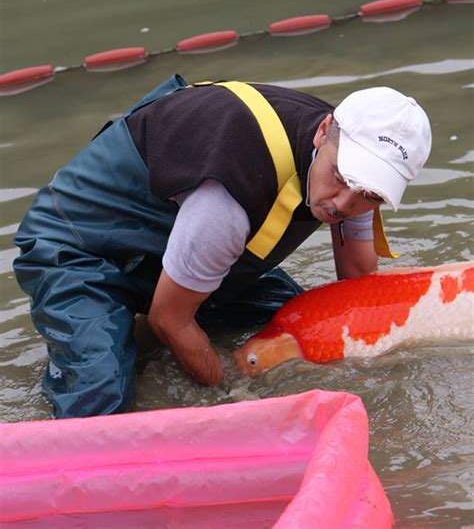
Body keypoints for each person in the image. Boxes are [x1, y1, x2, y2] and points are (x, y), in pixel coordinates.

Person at [13, 75, 432, 418]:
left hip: (169, 243)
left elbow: (357, 283)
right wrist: (234, 396)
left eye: (369, 195)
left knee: (296, 325)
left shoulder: (357, 170)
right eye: (341, 178)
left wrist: (378, 366)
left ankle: (129, 332)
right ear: (324, 133)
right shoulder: (230, 196)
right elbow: (170, 320)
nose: (344, 205)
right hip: (81, 248)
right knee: (102, 396)